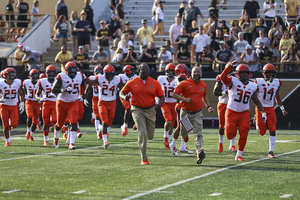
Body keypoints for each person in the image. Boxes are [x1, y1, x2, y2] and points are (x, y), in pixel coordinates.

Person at [120, 63, 165, 165]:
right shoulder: (132, 82)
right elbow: (121, 92)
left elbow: (162, 96)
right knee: (143, 133)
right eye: (143, 69)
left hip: (150, 110)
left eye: (147, 69)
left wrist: (159, 104)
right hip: (137, 109)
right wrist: (124, 97)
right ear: (139, 70)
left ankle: (139, 124)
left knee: (150, 136)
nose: (146, 71)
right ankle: (144, 158)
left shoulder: (154, 83)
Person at [220, 63, 266, 161]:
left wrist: (263, 112)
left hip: (244, 113)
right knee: (229, 135)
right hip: (231, 111)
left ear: (248, 74)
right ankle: (231, 145)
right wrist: (228, 67)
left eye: (246, 73)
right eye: (242, 73)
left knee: (244, 134)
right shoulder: (233, 81)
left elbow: (256, 101)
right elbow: (222, 77)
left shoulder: (253, 86)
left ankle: (239, 154)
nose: (244, 75)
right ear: (237, 73)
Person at [172, 66, 214, 164]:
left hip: (197, 113)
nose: (196, 73)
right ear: (191, 73)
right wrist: (185, 99)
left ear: (201, 73)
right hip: (185, 112)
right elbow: (174, 94)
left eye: (198, 72)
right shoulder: (184, 83)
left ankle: (199, 152)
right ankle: (180, 143)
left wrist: (208, 106)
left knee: (198, 133)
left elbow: (204, 95)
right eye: (194, 72)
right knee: (184, 133)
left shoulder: (203, 85)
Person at [254, 64, 288, 158]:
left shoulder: (277, 82)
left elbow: (277, 97)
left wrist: (282, 108)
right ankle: (256, 120)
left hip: (270, 108)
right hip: (260, 108)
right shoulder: (258, 81)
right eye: (268, 73)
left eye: (271, 73)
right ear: (264, 73)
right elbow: (253, 96)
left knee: (273, 129)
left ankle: (271, 151)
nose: (270, 75)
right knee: (262, 132)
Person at [87, 65, 124, 149]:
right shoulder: (99, 78)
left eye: (112, 74)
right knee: (105, 121)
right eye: (108, 74)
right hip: (102, 102)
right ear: (104, 73)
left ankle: (100, 128)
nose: (110, 76)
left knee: (109, 122)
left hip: (112, 102)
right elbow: (91, 83)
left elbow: (123, 85)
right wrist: (85, 79)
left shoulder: (117, 79)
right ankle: (105, 141)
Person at [52, 62, 86, 150]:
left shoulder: (80, 75)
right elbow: (53, 89)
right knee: (60, 123)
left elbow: (83, 85)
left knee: (74, 122)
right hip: (62, 102)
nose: (72, 73)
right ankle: (56, 138)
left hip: (73, 102)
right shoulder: (61, 76)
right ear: (66, 70)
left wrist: (81, 95)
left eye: (74, 71)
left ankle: (71, 143)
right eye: (70, 71)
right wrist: (64, 89)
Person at [213, 61, 239, 153]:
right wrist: (226, 92)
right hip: (223, 103)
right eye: (230, 68)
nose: (232, 70)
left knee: (233, 125)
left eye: (233, 69)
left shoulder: (237, 78)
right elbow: (215, 92)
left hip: (233, 104)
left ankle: (232, 145)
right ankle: (221, 143)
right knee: (222, 125)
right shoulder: (221, 77)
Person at [0, 68, 25, 147]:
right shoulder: (1, 83)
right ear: (6, 75)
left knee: (14, 125)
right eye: (11, 74)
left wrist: (22, 103)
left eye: (14, 73)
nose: (13, 75)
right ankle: (7, 140)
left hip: (14, 105)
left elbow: (21, 94)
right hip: (4, 106)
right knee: (5, 125)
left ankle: (11, 123)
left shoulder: (17, 82)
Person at [157, 63, 178, 149]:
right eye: (168, 71)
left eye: (172, 71)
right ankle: (165, 137)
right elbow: (156, 90)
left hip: (174, 103)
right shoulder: (161, 79)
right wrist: (156, 100)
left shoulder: (177, 80)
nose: (170, 73)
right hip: (165, 102)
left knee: (172, 124)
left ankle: (168, 141)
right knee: (168, 120)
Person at [35, 65, 58, 146]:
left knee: (55, 120)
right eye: (50, 72)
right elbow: (37, 94)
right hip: (46, 103)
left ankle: (56, 138)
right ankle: (46, 140)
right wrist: (40, 98)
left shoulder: (58, 80)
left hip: (55, 103)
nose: (51, 74)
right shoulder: (42, 81)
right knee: (46, 122)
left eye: (53, 72)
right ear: (46, 73)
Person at [84, 65, 103, 139]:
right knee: (97, 117)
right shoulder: (94, 78)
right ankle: (98, 132)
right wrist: (85, 98)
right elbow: (88, 89)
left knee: (100, 117)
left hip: (102, 98)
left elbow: (87, 89)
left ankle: (100, 131)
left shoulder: (93, 78)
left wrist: (85, 98)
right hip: (96, 98)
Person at [118, 65, 137, 137]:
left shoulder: (135, 77)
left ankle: (137, 123)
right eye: (131, 69)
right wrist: (126, 85)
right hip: (124, 95)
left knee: (135, 110)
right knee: (128, 109)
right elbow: (117, 84)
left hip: (133, 96)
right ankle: (125, 125)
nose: (133, 71)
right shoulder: (121, 76)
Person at [23, 69, 40, 141]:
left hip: (37, 103)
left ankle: (32, 135)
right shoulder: (26, 82)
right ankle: (28, 131)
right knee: (29, 116)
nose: (35, 77)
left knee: (35, 121)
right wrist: (26, 95)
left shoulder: (40, 82)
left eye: (37, 75)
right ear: (30, 76)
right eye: (34, 75)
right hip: (29, 102)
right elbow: (24, 89)